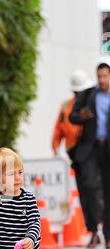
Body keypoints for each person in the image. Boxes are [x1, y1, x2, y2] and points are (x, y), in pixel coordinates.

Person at [69, 56, 110, 249]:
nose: (102, 80)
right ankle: (94, 232)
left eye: (105, 76)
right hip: (91, 149)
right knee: (91, 188)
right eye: (99, 76)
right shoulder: (88, 94)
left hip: (108, 149)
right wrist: (81, 116)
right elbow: (72, 116)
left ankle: (108, 236)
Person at [51, 70, 94, 231]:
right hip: (75, 154)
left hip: (92, 152)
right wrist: (56, 152)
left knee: (93, 186)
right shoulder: (65, 107)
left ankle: (96, 221)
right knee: (83, 188)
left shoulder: (93, 104)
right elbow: (58, 131)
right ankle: (91, 224)